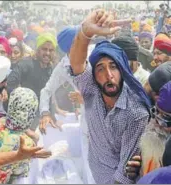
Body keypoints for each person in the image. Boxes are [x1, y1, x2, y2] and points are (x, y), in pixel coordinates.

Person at [68, 10, 150, 183]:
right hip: (96, 174)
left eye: (113, 66)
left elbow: (124, 173)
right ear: (94, 76)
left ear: (122, 70)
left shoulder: (136, 113)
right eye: (100, 69)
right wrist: (85, 32)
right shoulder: (92, 91)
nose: (108, 75)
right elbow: (76, 64)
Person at [7, 32, 57, 131]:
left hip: (41, 116)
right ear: (38, 50)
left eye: (51, 50)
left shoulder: (52, 69)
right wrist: (21, 104)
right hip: (24, 118)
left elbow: (49, 95)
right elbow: (11, 82)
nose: (47, 53)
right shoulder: (26, 63)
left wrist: (52, 115)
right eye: (44, 49)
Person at [126, 81, 171, 182]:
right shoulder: (153, 139)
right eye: (156, 112)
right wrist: (137, 173)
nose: (156, 123)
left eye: (166, 118)